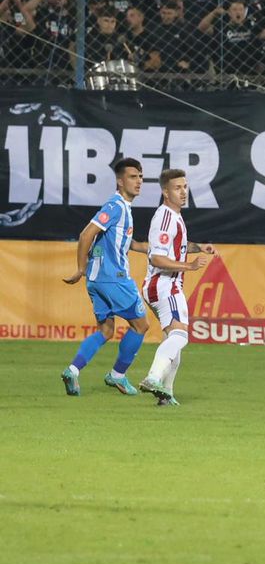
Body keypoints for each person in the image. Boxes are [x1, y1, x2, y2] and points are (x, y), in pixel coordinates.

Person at [60, 158, 153, 397]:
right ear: (120, 181)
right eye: (133, 177)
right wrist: (79, 268)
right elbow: (86, 234)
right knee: (141, 325)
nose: (138, 181)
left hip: (97, 280)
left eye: (140, 176)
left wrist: (150, 249)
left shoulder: (123, 209)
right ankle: (118, 375)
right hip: (114, 278)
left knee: (106, 330)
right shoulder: (116, 206)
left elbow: (125, 242)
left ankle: (72, 370)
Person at [138, 169, 215, 405]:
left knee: (173, 344)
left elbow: (177, 245)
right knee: (180, 336)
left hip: (162, 285)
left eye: (185, 187)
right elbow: (156, 258)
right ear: (165, 191)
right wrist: (189, 266)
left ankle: (166, 395)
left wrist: (198, 247)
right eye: (177, 188)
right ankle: (153, 377)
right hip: (165, 284)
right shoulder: (165, 218)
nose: (183, 192)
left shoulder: (173, 216)